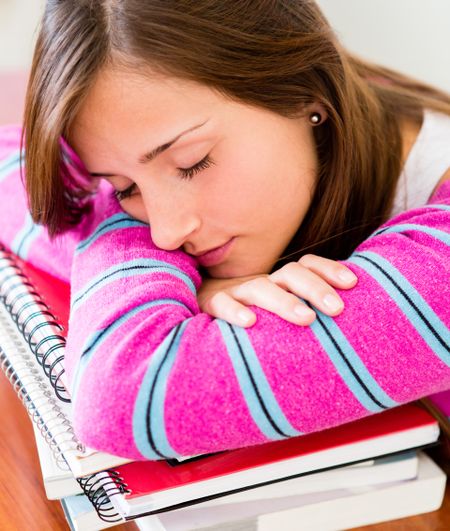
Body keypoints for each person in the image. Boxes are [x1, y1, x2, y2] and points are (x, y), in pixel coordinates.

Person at [0, 0, 449, 460]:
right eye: (123, 189)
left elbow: (121, 395)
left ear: (304, 92)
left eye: (192, 163)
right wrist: (197, 283)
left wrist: (159, 275)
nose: (167, 233)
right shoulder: (338, 111)